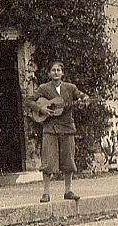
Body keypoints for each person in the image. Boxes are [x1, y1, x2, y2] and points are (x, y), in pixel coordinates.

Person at [31, 61, 91, 203]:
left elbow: (83, 97)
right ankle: (46, 193)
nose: (56, 72)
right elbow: (29, 101)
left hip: (67, 128)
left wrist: (85, 101)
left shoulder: (70, 88)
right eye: (53, 70)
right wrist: (41, 109)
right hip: (50, 129)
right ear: (49, 73)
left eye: (58, 70)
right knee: (47, 161)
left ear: (62, 73)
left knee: (68, 160)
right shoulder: (43, 88)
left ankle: (68, 191)